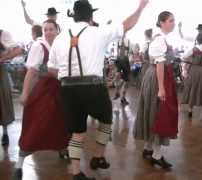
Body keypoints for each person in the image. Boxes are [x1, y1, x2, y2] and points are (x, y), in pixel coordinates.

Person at [47, 0, 148, 179]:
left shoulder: (60, 38)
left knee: (77, 132)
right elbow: (127, 24)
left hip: (67, 89)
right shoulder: (98, 31)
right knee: (107, 121)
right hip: (93, 87)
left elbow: (51, 70)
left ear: (74, 15)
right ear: (91, 16)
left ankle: (76, 172)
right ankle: (98, 156)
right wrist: (141, 7)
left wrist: (67, 80)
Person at [13, 20, 70, 180]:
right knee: (34, 125)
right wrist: (25, 93)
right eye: (45, 29)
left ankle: (62, 149)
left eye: (51, 29)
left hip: (60, 90)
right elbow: (31, 71)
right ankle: (19, 163)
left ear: (57, 30)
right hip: (43, 91)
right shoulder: (39, 46)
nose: (48, 32)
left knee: (61, 123)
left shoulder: (61, 45)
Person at [133, 11, 178, 170]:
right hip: (158, 78)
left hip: (153, 76)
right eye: (171, 21)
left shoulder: (157, 38)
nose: (173, 23)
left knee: (152, 111)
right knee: (159, 113)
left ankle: (148, 148)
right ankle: (156, 156)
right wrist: (161, 88)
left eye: (173, 20)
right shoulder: (159, 39)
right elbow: (160, 64)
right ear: (162, 22)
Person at [0, 30, 24, 146]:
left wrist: (2, 58)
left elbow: (19, 49)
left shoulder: (2, 34)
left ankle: (5, 133)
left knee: (2, 102)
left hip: (0, 73)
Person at [181, 31, 202, 118]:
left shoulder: (193, 49)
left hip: (194, 70)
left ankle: (190, 109)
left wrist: (191, 60)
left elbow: (183, 57)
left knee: (193, 88)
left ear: (197, 39)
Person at [114, 34, 131, 106]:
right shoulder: (126, 41)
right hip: (123, 62)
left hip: (121, 61)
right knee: (125, 82)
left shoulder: (120, 41)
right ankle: (122, 98)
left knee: (123, 81)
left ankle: (117, 93)